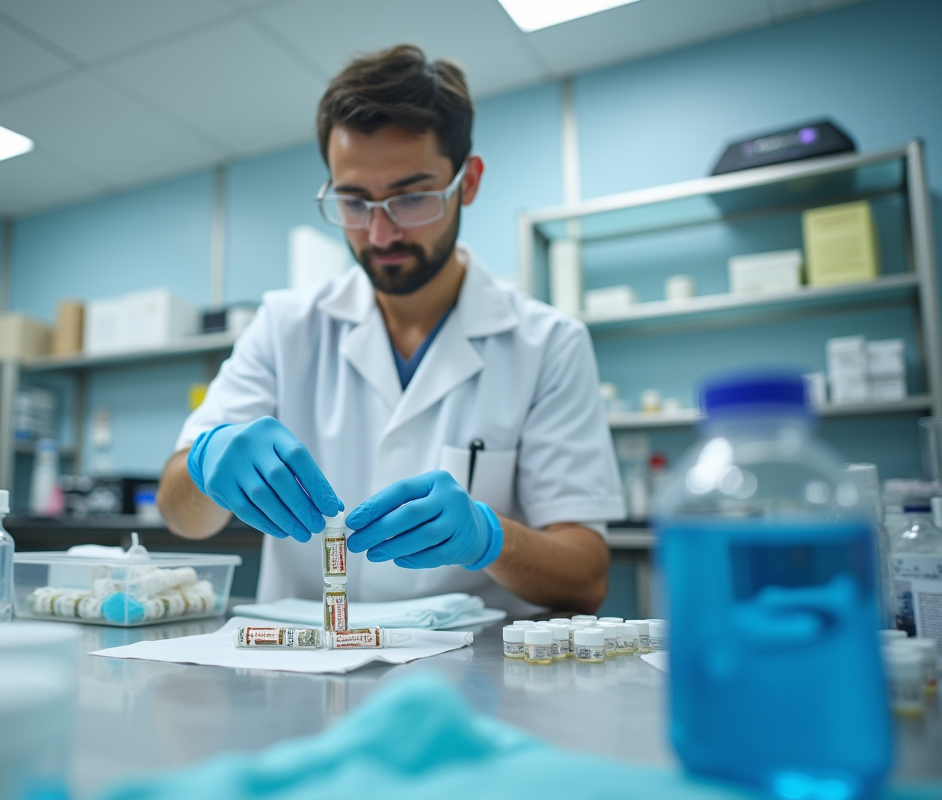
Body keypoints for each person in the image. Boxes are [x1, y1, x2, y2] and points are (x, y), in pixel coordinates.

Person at [157, 45, 623, 616]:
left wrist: (488, 537)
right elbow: (180, 514)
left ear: (467, 182)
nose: (380, 234)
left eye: (412, 197)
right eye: (354, 201)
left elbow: (586, 577)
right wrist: (206, 464)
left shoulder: (549, 344)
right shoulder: (284, 326)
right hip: (303, 673)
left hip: (470, 675)